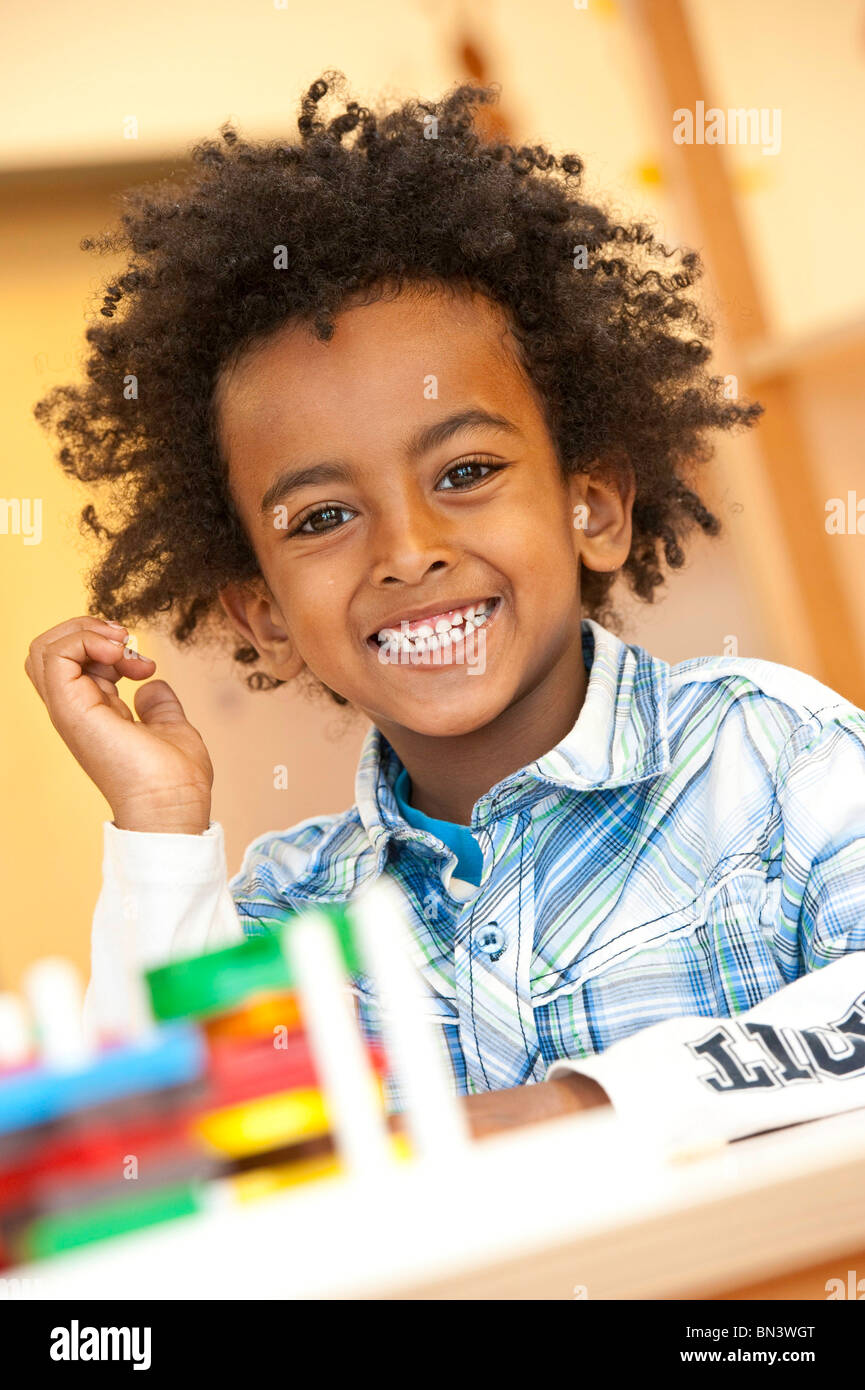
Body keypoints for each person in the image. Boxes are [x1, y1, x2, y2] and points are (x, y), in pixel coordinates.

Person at [25, 74, 865, 1150]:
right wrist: (159, 828)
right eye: (323, 515)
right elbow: (160, 1164)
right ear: (264, 614)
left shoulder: (772, 754)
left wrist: (571, 1109)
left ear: (591, 507)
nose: (408, 550)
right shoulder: (288, 909)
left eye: (465, 471)